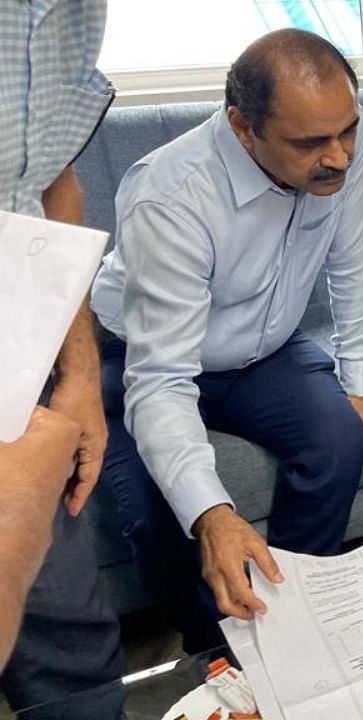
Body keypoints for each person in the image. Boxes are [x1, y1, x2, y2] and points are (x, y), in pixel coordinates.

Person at [92, 29, 363, 653]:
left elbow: (355, 261)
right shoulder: (170, 196)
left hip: (266, 351)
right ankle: (216, 650)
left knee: (340, 437)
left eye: (346, 132)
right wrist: (213, 515)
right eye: (311, 142)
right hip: (143, 356)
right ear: (242, 126)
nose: (339, 156)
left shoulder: (345, 135)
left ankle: (286, 615)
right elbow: (161, 381)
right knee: (157, 515)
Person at [0, 0, 125, 716]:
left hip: (30, 361)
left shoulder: (79, 13)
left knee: (74, 640)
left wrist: (77, 373)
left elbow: (51, 185)